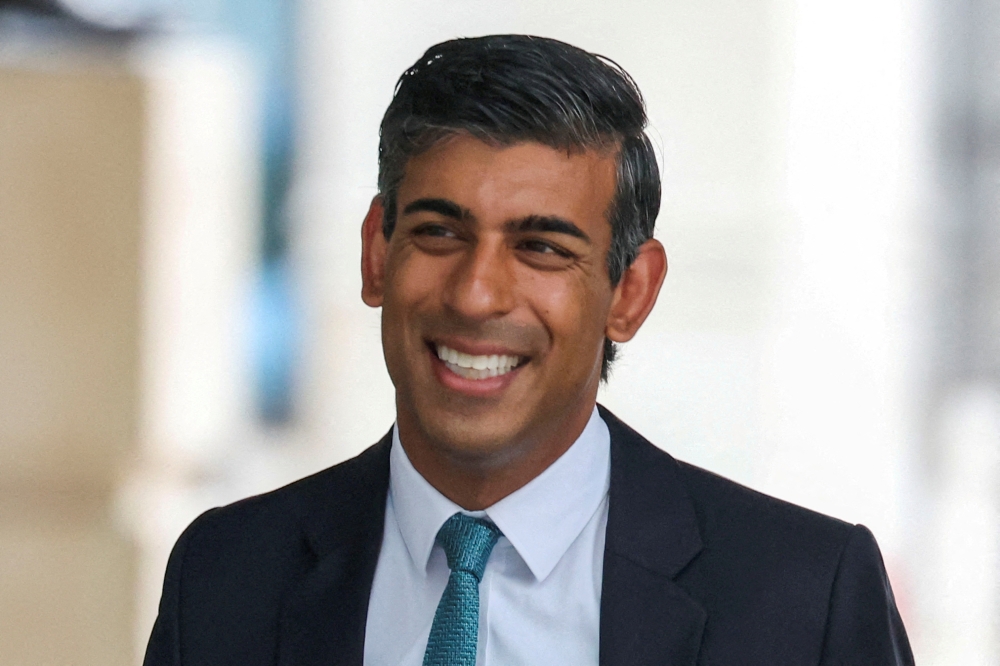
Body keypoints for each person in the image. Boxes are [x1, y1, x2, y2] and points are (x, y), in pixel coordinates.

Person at [143, 35, 913, 665]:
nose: (476, 295)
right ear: (377, 253)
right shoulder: (225, 576)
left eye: (541, 247)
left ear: (630, 293)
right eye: (439, 233)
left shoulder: (804, 599)